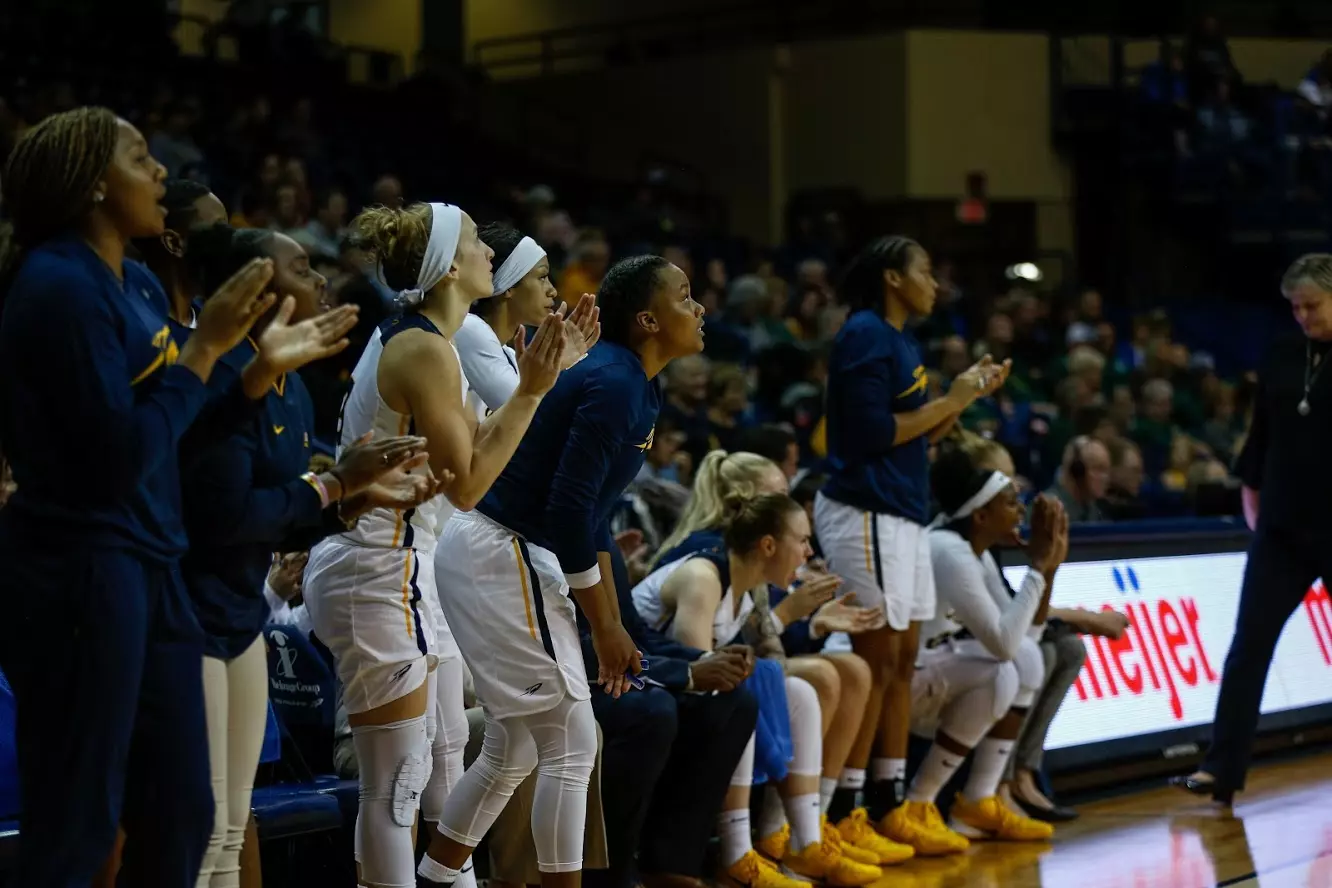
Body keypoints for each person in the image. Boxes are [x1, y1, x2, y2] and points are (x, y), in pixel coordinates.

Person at [0, 106, 287, 887]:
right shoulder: (56, 288)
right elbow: (115, 458)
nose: (161, 171)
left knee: (183, 814)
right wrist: (205, 350)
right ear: (95, 183)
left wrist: (251, 375)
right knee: (79, 824)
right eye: (140, 157)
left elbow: (175, 430)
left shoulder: (128, 279)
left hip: (151, 565)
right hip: (81, 568)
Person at [301, 201, 569, 888]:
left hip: (405, 561)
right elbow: (470, 485)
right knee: (397, 781)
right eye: (479, 241)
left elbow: (466, 463)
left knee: (441, 757)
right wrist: (532, 394)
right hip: (373, 559)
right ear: (451, 266)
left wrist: (530, 393)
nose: (489, 252)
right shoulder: (422, 348)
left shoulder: (426, 342)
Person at [418, 255, 702, 888]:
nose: (700, 308)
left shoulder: (637, 383)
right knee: (574, 742)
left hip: (501, 548)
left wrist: (609, 620)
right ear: (649, 319)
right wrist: (604, 626)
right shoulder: (617, 385)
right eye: (685, 297)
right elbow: (568, 512)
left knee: (514, 748)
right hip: (502, 546)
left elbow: (591, 516)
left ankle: (434, 879)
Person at [180, 226, 440, 886]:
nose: (321, 278)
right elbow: (227, 517)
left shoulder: (293, 389)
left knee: (233, 826)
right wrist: (335, 486)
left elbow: (287, 515)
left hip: (240, 615)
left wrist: (359, 500)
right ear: (255, 290)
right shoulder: (220, 375)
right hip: (187, 616)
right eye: (301, 268)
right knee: (205, 828)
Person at [813, 235, 1008, 843]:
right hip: (865, 509)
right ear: (894, 278)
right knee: (875, 660)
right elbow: (873, 433)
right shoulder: (866, 333)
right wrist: (950, 398)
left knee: (901, 660)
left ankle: (889, 801)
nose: (936, 283)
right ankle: (842, 811)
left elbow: (915, 435)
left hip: (899, 510)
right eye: (926, 271)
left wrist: (962, 398)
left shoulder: (900, 339)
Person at [633, 491, 896, 885]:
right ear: (769, 545)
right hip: (641, 686)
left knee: (800, 695)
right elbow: (700, 674)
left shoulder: (748, 587)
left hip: (683, 693)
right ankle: (737, 853)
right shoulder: (704, 577)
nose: (808, 552)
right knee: (737, 693)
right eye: (802, 540)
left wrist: (812, 624)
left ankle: (806, 840)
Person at [1173, 253, 1332, 805]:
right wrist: (1253, 504)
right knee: (1248, 649)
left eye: (1312, 306)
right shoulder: (1284, 353)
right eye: (1295, 307)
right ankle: (1221, 768)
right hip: (1282, 530)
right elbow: (1260, 437)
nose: (1303, 316)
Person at [957, 432, 1128, 822]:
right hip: (948, 663)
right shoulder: (958, 550)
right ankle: (992, 785)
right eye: (1006, 488)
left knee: (1064, 649)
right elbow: (1009, 635)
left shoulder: (984, 552)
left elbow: (1024, 622)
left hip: (977, 652)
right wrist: (1082, 613)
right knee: (1037, 654)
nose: (1018, 499)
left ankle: (1022, 773)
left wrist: (1048, 565)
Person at [900, 446, 1064, 851]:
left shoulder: (974, 551)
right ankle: (917, 805)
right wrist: (1039, 568)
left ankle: (977, 802)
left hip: (928, 674)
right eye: (1011, 502)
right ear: (981, 516)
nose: (1021, 510)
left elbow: (1029, 640)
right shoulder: (949, 551)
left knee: (1027, 662)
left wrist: (1050, 569)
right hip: (896, 681)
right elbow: (1005, 644)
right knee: (1003, 668)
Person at [456, 221, 600, 421]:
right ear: (508, 285)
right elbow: (529, 416)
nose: (553, 290)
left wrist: (557, 365)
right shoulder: (469, 328)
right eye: (542, 277)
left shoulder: (508, 354)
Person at [135, 177, 229, 327]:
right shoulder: (135, 319)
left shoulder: (219, 324)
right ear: (174, 243)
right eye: (220, 231)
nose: (230, 242)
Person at [1043, 435, 1110, 523]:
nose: (1106, 477)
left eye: (1106, 470)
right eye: (1098, 468)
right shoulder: (1047, 509)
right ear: (1077, 471)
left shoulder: (1094, 510)